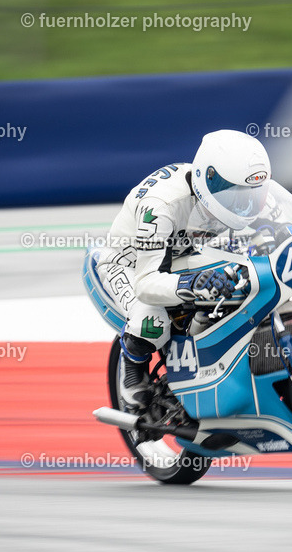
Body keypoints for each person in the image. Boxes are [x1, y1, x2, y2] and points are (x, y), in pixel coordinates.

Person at [86, 129, 272, 411]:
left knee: (242, 279)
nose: (244, 202)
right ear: (208, 178)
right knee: (152, 321)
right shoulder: (160, 207)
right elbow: (146, 284)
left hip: (180, 256)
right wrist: (193, 285)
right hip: (129, 265)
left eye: (250, 193)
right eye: (233, 192)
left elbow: (273, 223)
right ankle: (132, 367)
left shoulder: (237, 188)